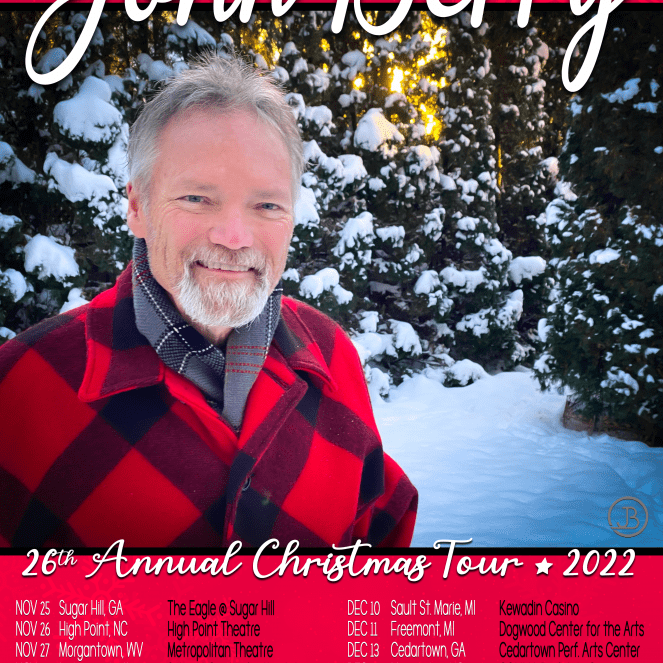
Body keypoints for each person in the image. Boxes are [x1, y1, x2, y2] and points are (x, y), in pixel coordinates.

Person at [0, 56, 417, 549]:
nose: (235, 237)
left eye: (266, 205)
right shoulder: (21, 388)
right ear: (138, 207)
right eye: (198, 198)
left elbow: (381, 537)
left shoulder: (329, 354)